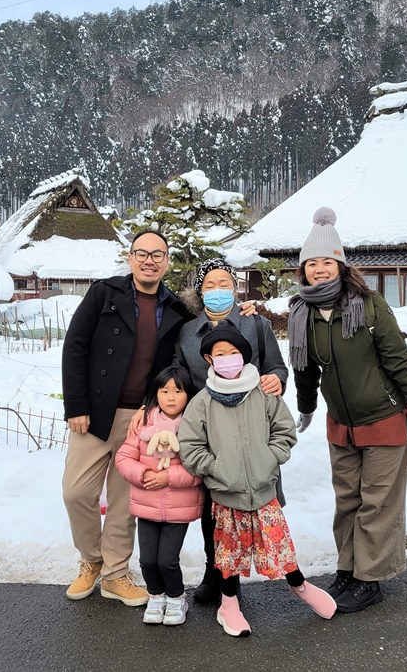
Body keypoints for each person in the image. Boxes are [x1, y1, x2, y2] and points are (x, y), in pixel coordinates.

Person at [288, 207, 407, 613]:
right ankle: (348, 570)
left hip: (385, 419)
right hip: (342, 424)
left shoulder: (369, 306)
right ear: (303, 270)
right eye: (312, 263)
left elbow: (399, 361)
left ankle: (370, 580)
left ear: (340, 265)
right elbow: (304, 369)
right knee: (347, 501)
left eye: (327, 262)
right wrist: (306, 408)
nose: (319, 270)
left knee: (378, 503)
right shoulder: (301, 313)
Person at [61, 229, 193, 607]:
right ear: (131, 257)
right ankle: (91, 561)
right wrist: (76, 405)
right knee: (77, 492)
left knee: (124, 501)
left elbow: (192, 347)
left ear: (167, 261)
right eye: (142, 253)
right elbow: (76, 346)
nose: (149, 260)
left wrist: (245, 310)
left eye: (158, 254)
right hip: (95, 411)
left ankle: (116, 574)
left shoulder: (177, 309)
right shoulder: (105, 293)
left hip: (142, 418)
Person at [179, 324, 337, 637]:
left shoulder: (262, 393)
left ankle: (300, 585)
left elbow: (284, 431)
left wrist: (269, 458)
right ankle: (229, 603)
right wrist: (216, 467)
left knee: (279, 546)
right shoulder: (201, 402)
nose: (228, 359)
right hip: (226, 496)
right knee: (229, 555)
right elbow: (190, 446)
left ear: (244, 356)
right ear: (209, 360)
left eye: (234, 353)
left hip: (265, 493)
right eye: (220, 354)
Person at [172, 257, 288, 604]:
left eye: (225, 284)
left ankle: (267, 565)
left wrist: (276, 379)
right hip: (211, 431)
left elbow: (276, 365)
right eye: (210, 285)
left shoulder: (255, 324)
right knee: (214, 505)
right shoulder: (187, 333)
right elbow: (178, 376)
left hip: (253, 430)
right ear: (200, 291)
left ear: (236, 288)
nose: (218, 291)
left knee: (253, 501)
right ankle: (217, 571)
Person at [115, 366, 203, 626]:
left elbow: (199, 467)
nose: (171, 397)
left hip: (179, 507)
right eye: (165, 391)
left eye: (178, 391)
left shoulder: (194, 426)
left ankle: (176, 598)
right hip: (146, 505)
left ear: (189, 395)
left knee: (167, 560)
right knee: (148, 560)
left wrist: (169, 477)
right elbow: (123, 457)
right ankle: (156, 595)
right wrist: (142, 474)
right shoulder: (144, 423)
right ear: (156, 394)